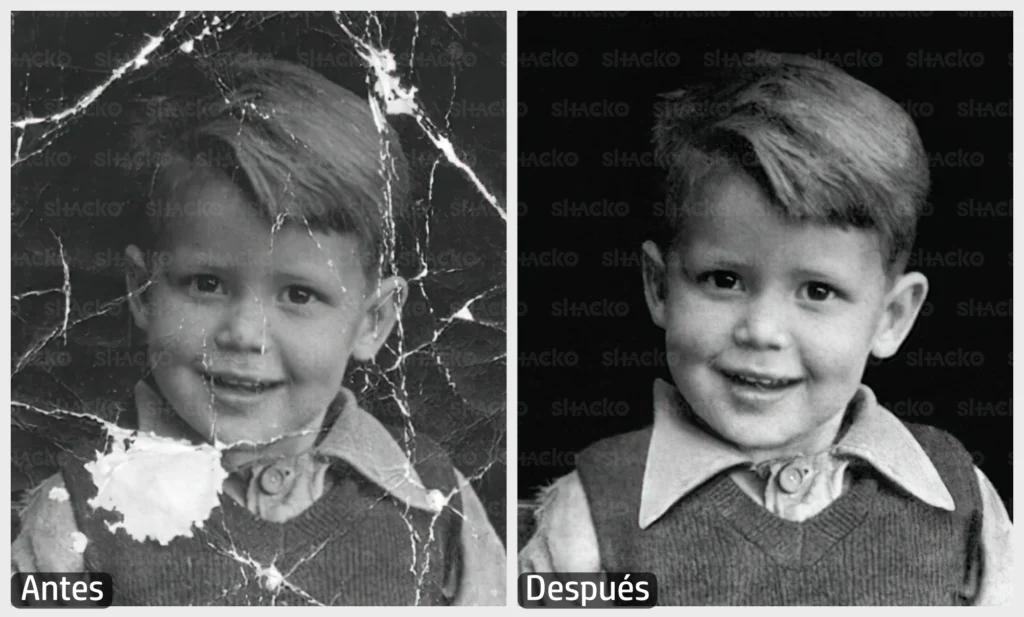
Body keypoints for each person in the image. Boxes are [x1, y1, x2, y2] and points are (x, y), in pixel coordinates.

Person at [518, 52, 1011, 605]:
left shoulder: (958, 498)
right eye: (724, 280)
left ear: (891, 317)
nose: (761, 331)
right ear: (659, 287)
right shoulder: (593, 509)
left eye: (817, 291)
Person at [12, 56, 505, 606]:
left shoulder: (438, 498)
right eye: (205, 284)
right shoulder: (77, 509)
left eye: (299, 295)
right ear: (144, 291)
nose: (244, 334)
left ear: (372, 322)